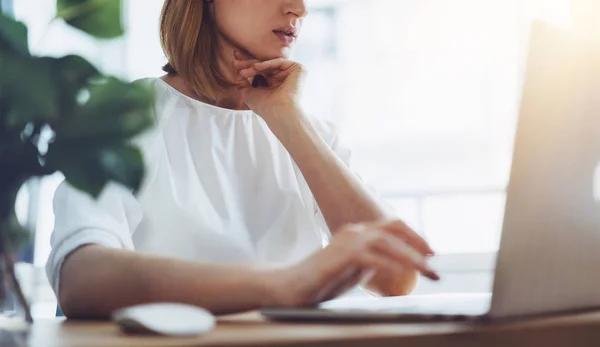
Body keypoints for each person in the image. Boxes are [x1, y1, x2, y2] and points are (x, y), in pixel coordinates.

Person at [47, 0, 439, 319]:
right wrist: (285, 285)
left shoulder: (307, 128)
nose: (299, 8)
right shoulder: (123, 117)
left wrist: (287, 118)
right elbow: (81, 279)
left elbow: (397, 277)